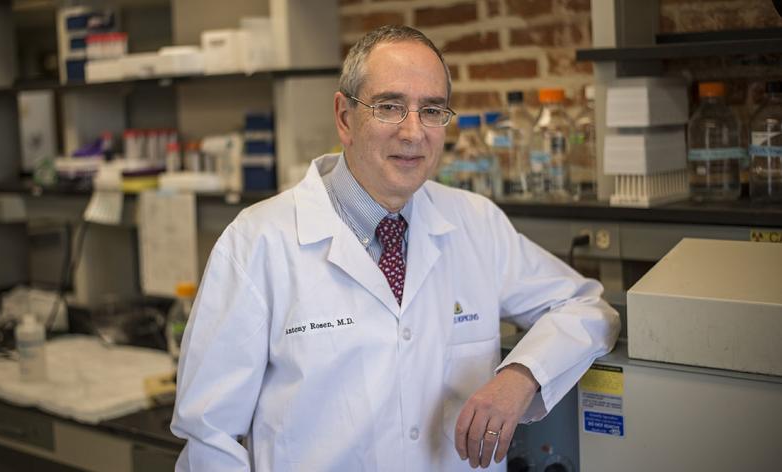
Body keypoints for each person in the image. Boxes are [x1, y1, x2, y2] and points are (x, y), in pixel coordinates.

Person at [171, 25, 620, 471]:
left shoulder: (475, 223)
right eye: (389, 107)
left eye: (431, 110)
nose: (413, 132)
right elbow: (209, 437)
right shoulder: (258, 242)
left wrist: (521, 376)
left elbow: (588, 308)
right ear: (345, 117)